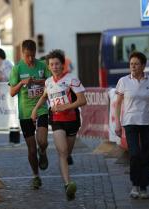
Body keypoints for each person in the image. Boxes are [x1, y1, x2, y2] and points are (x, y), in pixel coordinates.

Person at [31, 49, 86, 200]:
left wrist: (65, 107)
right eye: (52, 64)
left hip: (72, 120)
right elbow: (44, 97)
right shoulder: (48, 82)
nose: (54, 67)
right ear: (48, 67)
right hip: (56, 120)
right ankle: (68, 184)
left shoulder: (72, 79)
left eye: (57, 64)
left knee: (67, 152)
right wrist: (35, 110)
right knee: (61, 152)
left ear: (62, 65)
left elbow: (82, 101)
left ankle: (68, 165)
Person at [114, 51, 149, 199]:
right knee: (134, 154)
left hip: (148, 122)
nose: (133, 67)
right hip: (130, 122)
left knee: (146, 155)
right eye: (131, 64)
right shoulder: (123, 81)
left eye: (136, 64)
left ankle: (143, 187)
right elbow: (117, 104)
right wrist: (118, 123)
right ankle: (135, 185)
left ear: (143, 66)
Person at [9, 39, 51, 190]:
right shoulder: (17, 69)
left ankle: (44, 151)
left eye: (33, 55)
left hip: (41, 109)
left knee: (43, 141)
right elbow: (12, 92)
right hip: (25, 112)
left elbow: (51, 81)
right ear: (22, 53)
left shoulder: (42, 65)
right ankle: (36, 176)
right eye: (27, 56)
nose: (30, 59)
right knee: (31, 150)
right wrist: (22, 83)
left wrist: (40, 82)